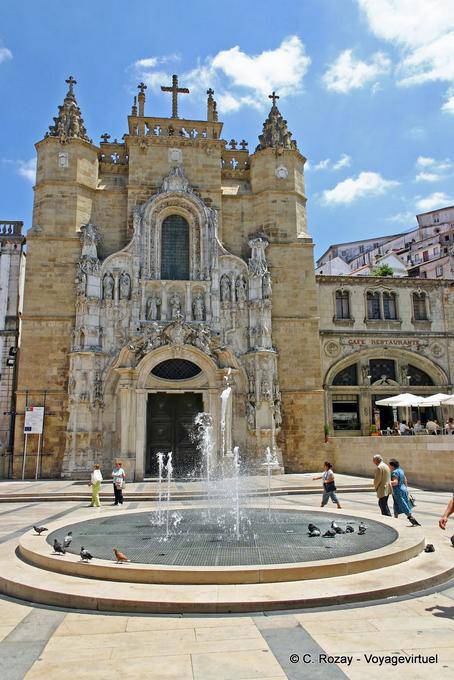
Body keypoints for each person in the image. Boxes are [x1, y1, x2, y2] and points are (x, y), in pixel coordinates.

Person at [388, 459, 420, 526]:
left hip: (398, 490)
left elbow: (395, 482)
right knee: (396, 505)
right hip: (403, 489)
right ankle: (395, 519)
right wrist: (405, 488)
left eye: (389, 465)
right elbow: (405, 480)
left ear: (392, 466)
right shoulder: (401, 470)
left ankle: (410, 517)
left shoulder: (394, 472)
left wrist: (387, 482)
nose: (389, 467)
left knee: (403, 504)